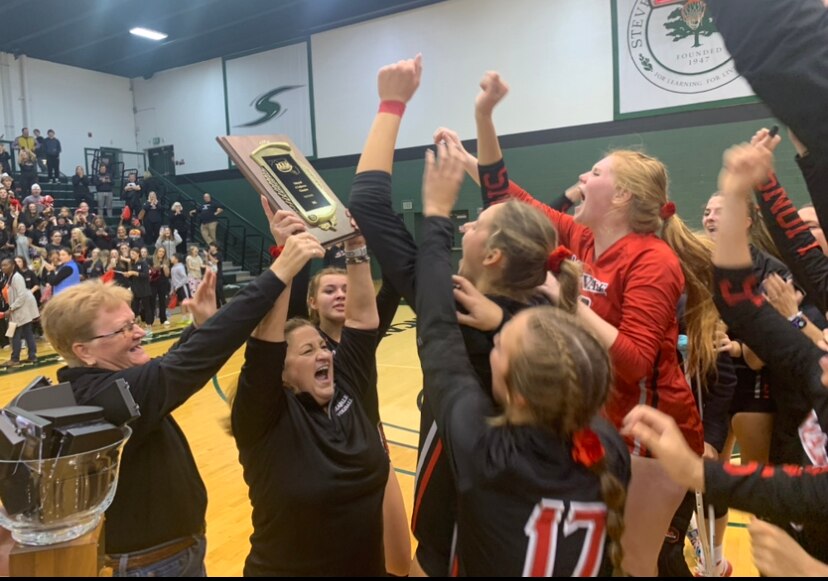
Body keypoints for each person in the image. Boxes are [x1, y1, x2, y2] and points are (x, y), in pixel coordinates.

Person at [473, 71, 716, 576]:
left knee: (635, 562)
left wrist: (565, 299)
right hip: (604, 422)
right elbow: (503, 198)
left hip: (653, 431)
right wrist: (484, 117)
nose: (582, 179)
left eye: (595, 173)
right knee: (605, 555)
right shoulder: (584, 240)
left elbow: (631, 361)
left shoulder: (653, 260)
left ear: (623, 197)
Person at [39, 212, 325, 575]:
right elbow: (191, 361)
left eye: (134, 322)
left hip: (168, 558)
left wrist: (199, 326)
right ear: (84, 351)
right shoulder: (103, 398)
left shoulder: (101, 384)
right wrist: (281, 269)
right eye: (123, 329)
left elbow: (172, 361)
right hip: (155, 567)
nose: (139, 333)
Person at [413, 140, 630, 576]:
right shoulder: (608, 449)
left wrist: (435, 214)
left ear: (518, 390)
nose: (496, 342)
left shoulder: (484, 451)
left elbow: (439, 338)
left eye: (501, 346)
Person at [231, 204, 388, 575]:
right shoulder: (264, 421)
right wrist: (285, 257)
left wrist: (357, 246)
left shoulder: (346, 385)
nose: (324, 354)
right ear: (281, 375)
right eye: (307, 350)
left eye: (322, 345)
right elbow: (263, 348)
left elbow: (363, 319)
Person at [0, 257, 38, 366]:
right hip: (20, 308)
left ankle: (15, 359)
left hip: (21, 309)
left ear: (12, 265)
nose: (3, 268)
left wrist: (11, 309)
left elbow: (21, 296)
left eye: (5, 265)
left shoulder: (17, 277)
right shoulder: (10, 277)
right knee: (27, 333)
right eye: (2, 266)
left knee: (15, 333)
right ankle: (32, 356)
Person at [149, 246, 171, 326]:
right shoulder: (151, 259)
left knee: (162, 301)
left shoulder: (167, 261)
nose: (161, 253)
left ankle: (163, 319)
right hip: (153, 283)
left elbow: (167, 274)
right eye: (160, 251)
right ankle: (150, 320)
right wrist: (159, 266)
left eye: (163, 252)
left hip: (163, 283)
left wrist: (165, 268)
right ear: (157, 252)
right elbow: (151, 270)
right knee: (152, 301)